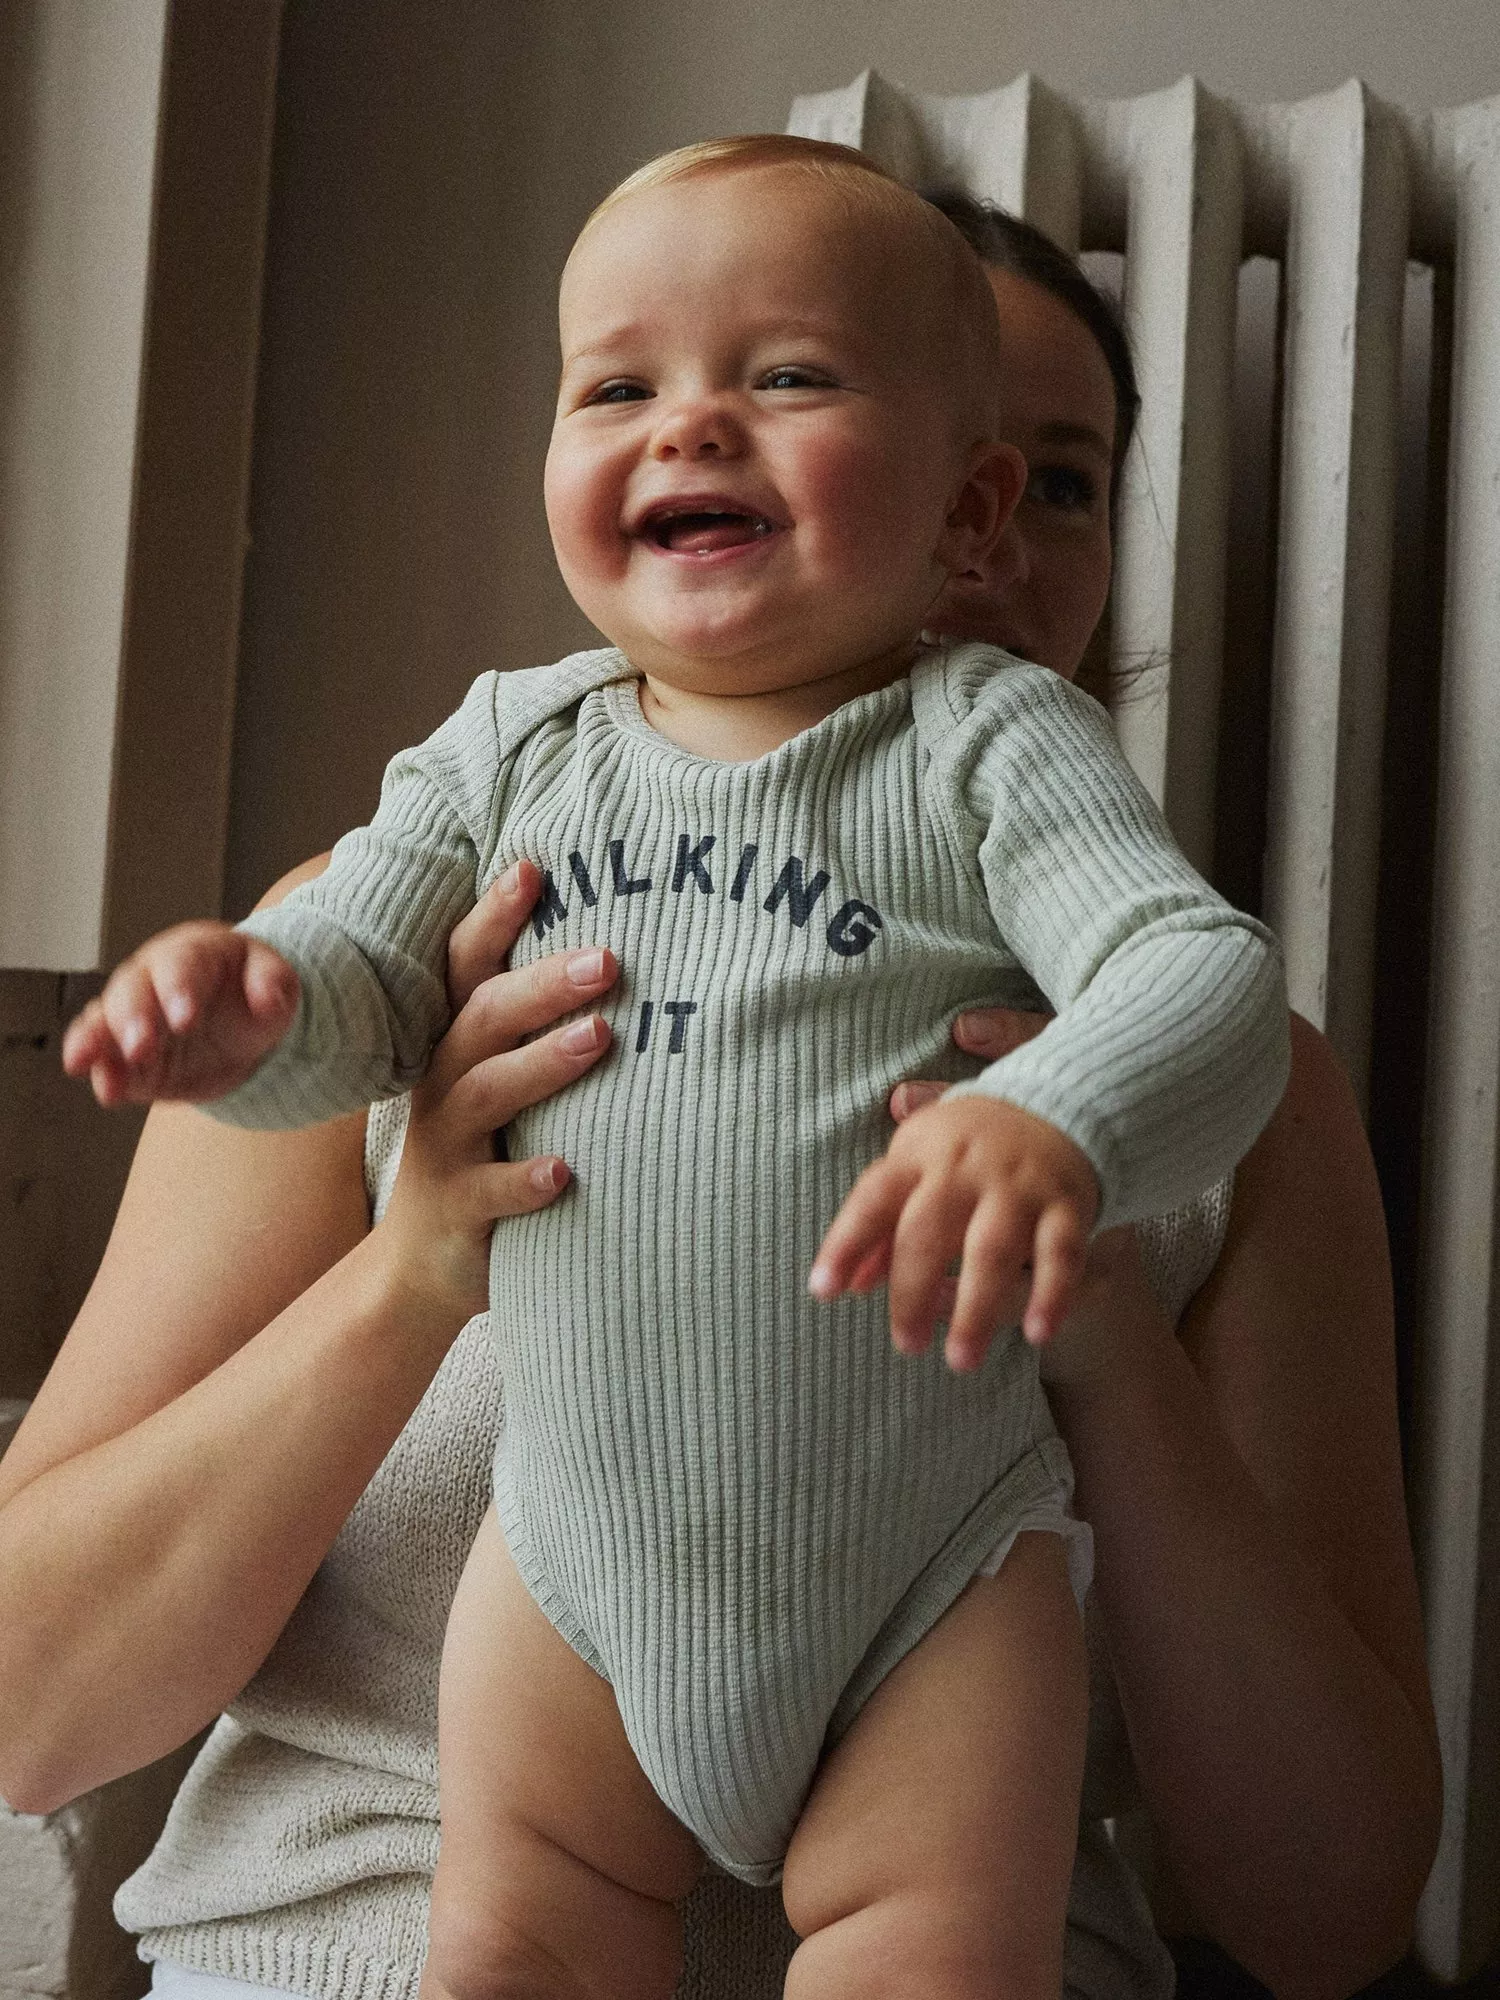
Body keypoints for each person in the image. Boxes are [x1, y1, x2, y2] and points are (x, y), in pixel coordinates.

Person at [0, 175, 1438, 2000]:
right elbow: (25, 1712)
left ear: (977, 508)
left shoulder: (1229, 1078)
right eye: (632, 391)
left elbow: (1331, 1921)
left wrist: (1102, 1331)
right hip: (361, 1922)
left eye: (1055, 479)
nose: (704, 432)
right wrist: (415, 1253)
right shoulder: (435, 888)